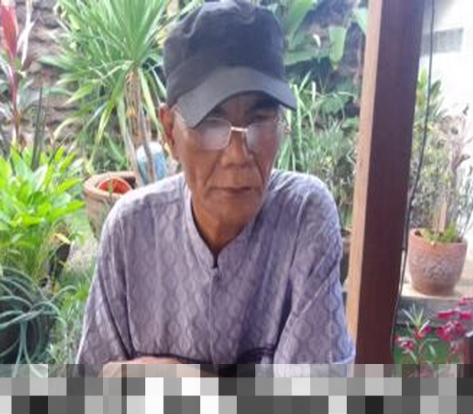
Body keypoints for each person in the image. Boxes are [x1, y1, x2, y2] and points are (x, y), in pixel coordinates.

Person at [76, 0, 355, 376]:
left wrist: (180, 379)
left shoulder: (304, 217)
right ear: (169, 131)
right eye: (210, 122)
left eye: (261, 119)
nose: (238, 154)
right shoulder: (132, 231)